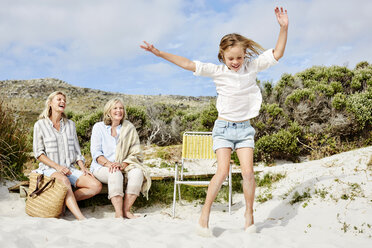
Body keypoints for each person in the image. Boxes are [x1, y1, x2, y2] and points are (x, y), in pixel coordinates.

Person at [141, 7, 288, 235]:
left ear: (244, 54)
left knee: (248, 173)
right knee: (222, 172)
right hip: (223, 129)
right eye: (231, 58)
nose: (236, 61)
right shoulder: (218, 71)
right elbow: (188, 64)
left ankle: (249, 216)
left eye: (239, 57)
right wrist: (160, 54)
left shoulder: (252, 67)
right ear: (223, 56)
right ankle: (204, 216)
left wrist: (283, 27)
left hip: (245, 129)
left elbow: (277, 53)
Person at [33, 91, 102, 220]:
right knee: (64, 181)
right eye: (58, 99)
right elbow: (39, 154)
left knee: (96, 186)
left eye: (64, 100)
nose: (62, 102)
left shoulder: (71, 125)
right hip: (49, 170)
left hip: (69, 169)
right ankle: (80, 217)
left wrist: (83, 168)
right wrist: (57, 167)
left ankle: (64, 202)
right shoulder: (40, 125)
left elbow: (77, 151)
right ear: (50, 103)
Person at [90, 98, 151, 218]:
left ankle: (126, 210)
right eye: (115, 108)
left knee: (138, 172)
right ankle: (118, 213)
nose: (119, 110)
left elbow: (135, 153)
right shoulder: (99, 127)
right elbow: (96, 153)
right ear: (109, 111)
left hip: (124, 165)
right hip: (102, 166)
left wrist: (123, 164)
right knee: (115, 173)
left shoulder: (129, 128)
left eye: (121, 108)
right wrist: (109, 164)